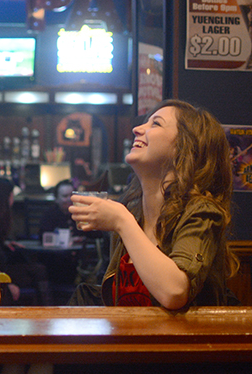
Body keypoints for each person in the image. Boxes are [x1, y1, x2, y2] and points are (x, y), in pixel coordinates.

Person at [69, 99, 239, 309]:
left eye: (155, 124)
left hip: (184, 341)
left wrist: (122, 221)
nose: (137, 129)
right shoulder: (134, 211)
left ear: (185, 146)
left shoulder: (202, 211)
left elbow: (174, 292)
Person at [0, 178, 52, 305]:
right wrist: (7, 284)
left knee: (37, 270)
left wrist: (5, 243)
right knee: (39, 271)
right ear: (7, 197)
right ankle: (47, 310)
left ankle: (46, 310)